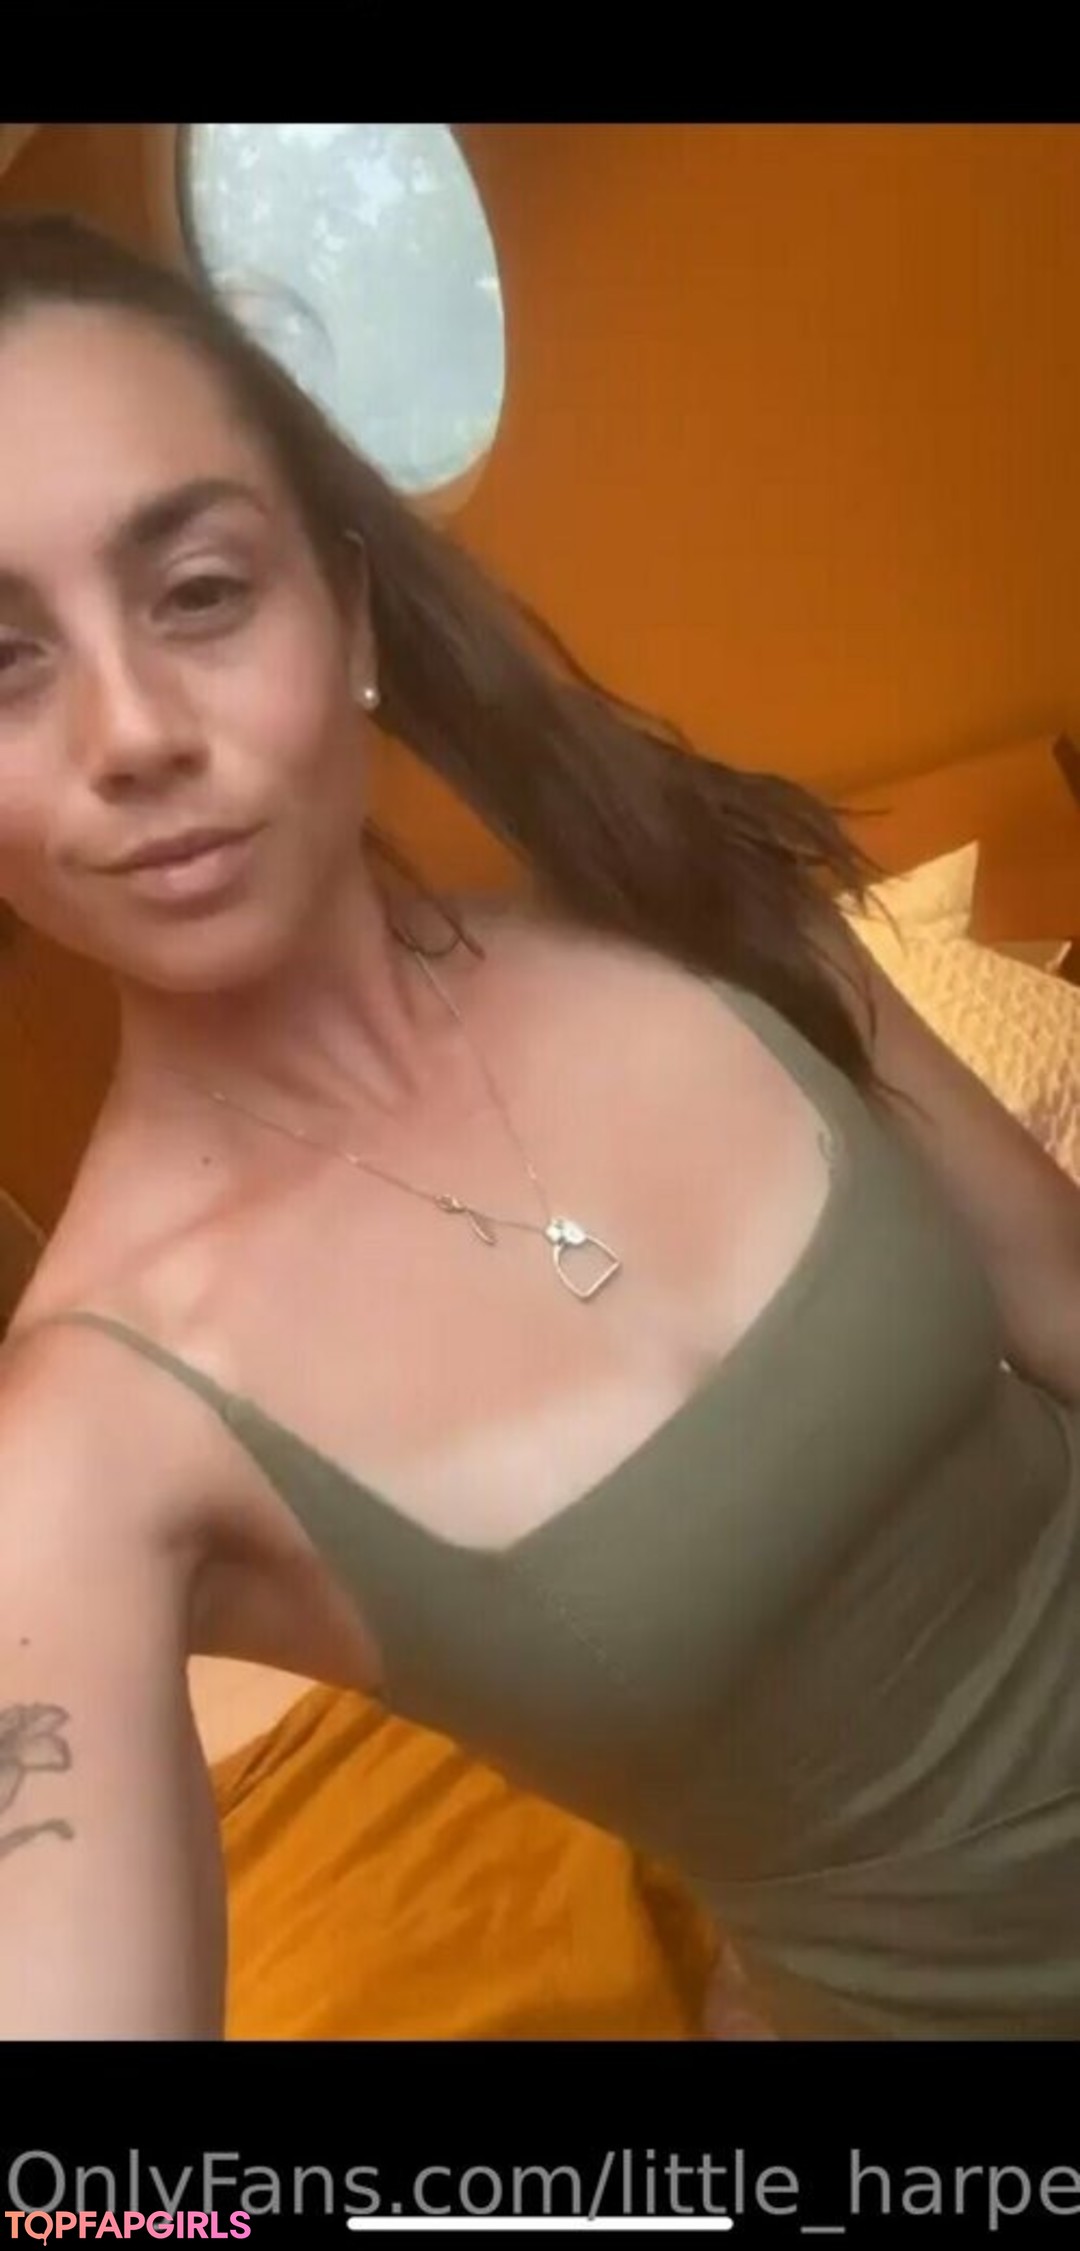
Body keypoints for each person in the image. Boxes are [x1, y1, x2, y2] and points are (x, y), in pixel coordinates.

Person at [0, 212, 1077, 2045]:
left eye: (199, 592)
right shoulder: (82, 1444)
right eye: (0, 663)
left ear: (349, 612)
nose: (133, 731)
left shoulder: (673, 888)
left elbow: (1059, 1294)